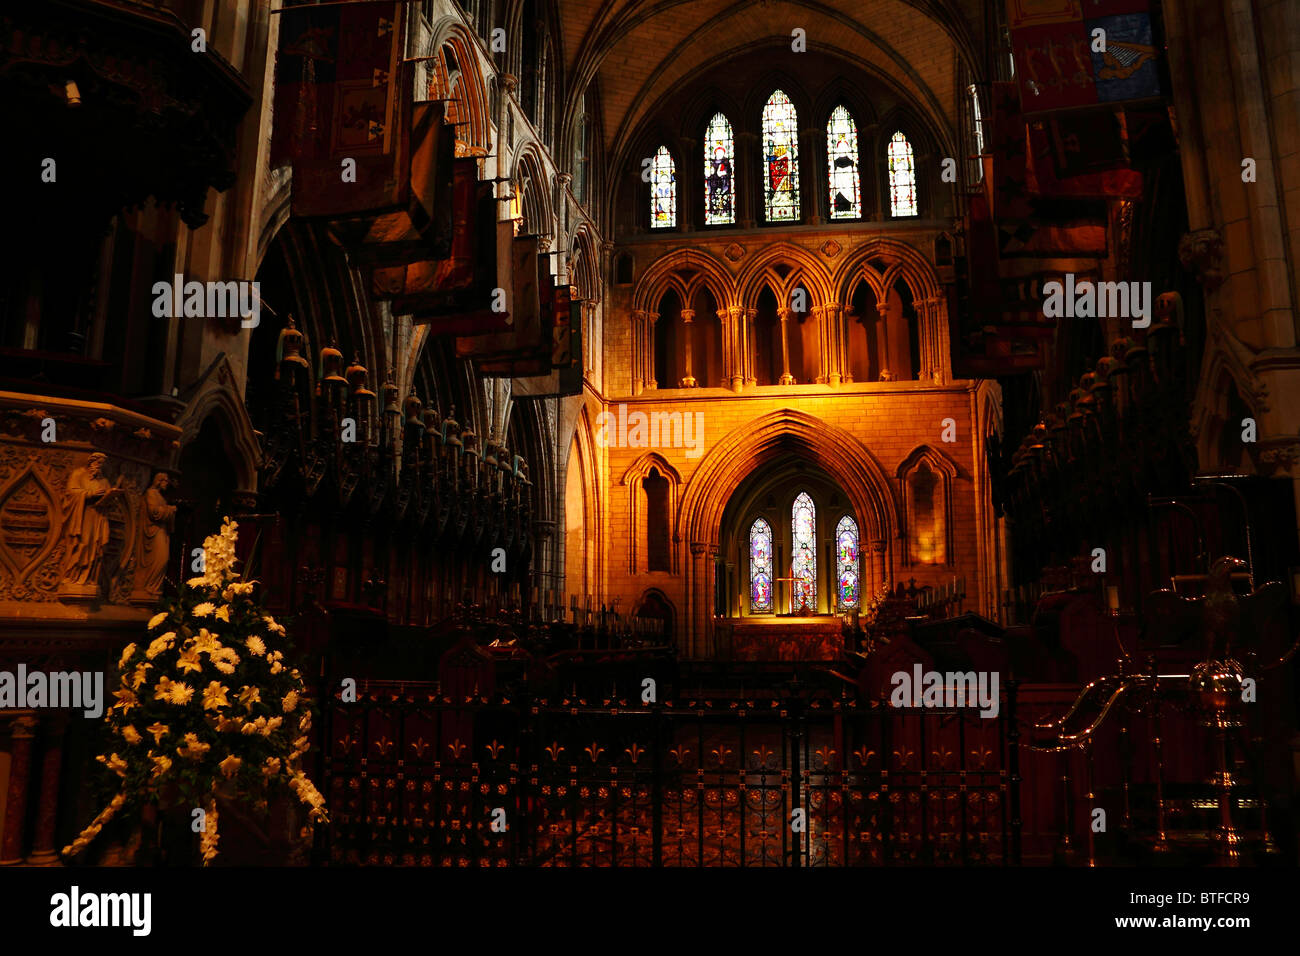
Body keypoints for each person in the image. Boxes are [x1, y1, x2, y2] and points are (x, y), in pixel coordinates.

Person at [61, 452, 120, 589]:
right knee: (83, 544)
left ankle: (90, 577)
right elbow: (71, 492)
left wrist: (111, 497)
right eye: (98, 463)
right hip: (83, 517)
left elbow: (109, 500)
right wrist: (89, 494)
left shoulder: (104, 481)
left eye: (102, 465)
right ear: (90, 463)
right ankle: (72, 576)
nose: (99, 467)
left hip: (99, 518)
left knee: (97, 547)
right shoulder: (78, 474)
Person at [137, 472, 177, 597]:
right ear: (159, 481)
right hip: (154, 532)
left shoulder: (159, 496)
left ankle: (153, 587)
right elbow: (154, 512)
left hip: (161, 531)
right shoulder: (151, 493)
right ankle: (148, 586)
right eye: (165, 481)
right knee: (161, 558)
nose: (167, 484)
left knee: (163, 559)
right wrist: (169, 510)